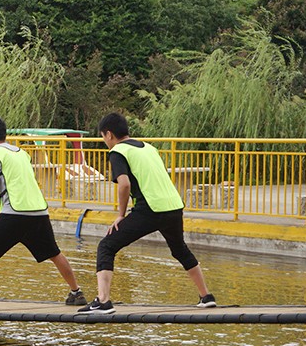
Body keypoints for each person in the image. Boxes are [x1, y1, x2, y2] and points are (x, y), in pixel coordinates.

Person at [79, 112, 217, 314]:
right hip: (173, 206)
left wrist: (121, 215)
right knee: (180, 250)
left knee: (106, 246)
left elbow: (124, 184)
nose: (105, 142)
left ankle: (103, 301)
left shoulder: (118, 151)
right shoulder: (149, 148)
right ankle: (206, 296)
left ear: (108, 134)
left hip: (150, 208)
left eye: (103, 137)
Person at [0, 116, 86, 312]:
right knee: (54, 253)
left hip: (14, 212)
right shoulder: (22, 153)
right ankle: (76, 293)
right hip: (39, 212)